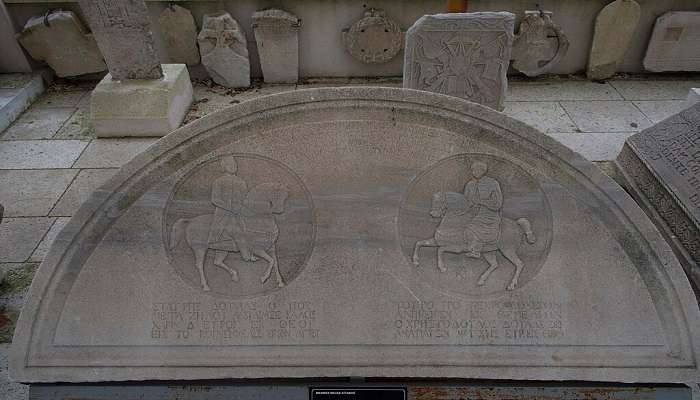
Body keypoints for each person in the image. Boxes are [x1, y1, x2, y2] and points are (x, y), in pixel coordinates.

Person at [207, 156, 255, 262]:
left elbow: (244, 198)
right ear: (224, 167)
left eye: (234, 164)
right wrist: (230, 208)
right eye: (229, 164)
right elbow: (215, 199)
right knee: (237, 232)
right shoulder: (218, 182)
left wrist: (245, 208)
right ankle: (246, 256)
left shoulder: (241, 182)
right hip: (223, 215)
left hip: (238, 213)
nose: (233, 166)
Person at [463, 161, 503, 258]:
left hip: (488, 214)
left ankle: (475, 250)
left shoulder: (493, 183)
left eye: (477, 170)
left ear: (483, 171)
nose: (474, 172)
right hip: (472, 212)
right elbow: (465, 201)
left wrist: (481, 201)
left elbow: (497, 203)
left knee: (473, 225)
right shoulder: (470, 184)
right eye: (473, 170)